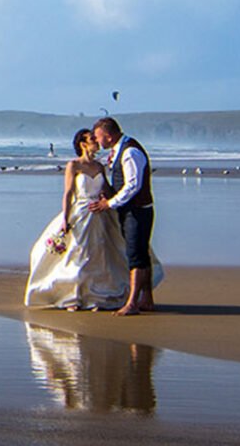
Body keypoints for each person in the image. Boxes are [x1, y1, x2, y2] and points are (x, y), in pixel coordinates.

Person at [24, 129, 130, 310]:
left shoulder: (99, 166)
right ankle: (73, 296)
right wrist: (65, 218)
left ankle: (95, 296)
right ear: (83, 144)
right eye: (92, 140)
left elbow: (107, 190)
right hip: (80, 211)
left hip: (99, 213)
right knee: (78, 253)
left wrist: (109, 199)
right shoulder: (73, 165)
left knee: (99, 255)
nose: (96, 142)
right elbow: (68, 193)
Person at [89, 117, 156, 316]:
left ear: (109, 136)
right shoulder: (119, 151)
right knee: (140, 254)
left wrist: (109, 203)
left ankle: (133, 302)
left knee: (136, 255)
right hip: (130, 209)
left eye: (99, 138)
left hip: (137, 210)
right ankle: (147, 299)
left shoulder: (130, 152)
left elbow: (133, 186)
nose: (98, 142)